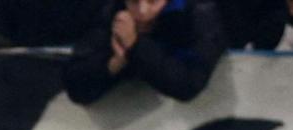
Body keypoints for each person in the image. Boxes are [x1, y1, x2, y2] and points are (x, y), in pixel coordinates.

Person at [63, 0, 228, 104]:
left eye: (152, 1)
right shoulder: (114, 10)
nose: (142, 10)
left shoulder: (200, 13)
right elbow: (75, 84)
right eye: (134, 1)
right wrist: (114, 64)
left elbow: (189, 83)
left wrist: (136, 45)